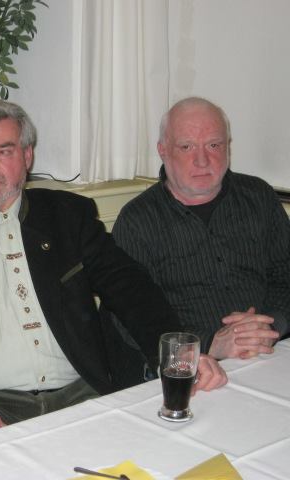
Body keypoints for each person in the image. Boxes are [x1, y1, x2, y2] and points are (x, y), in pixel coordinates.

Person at [0, 99, 227, 435]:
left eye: (5, 151)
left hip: (82, 392)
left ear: (27, 157)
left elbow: (129, 288)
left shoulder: (68, 217)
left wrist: (178, 356)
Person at [113, 97, 289, 361]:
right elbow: (131, 318)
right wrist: (208, 344)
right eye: (187, 147)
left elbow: (285, 275)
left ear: (228, 146)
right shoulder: (136, 221)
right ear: (163, 150)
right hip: (191, 363)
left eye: (214, 145)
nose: (202, 160)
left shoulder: (259, 197)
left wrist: (271, 325)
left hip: (271, 349)